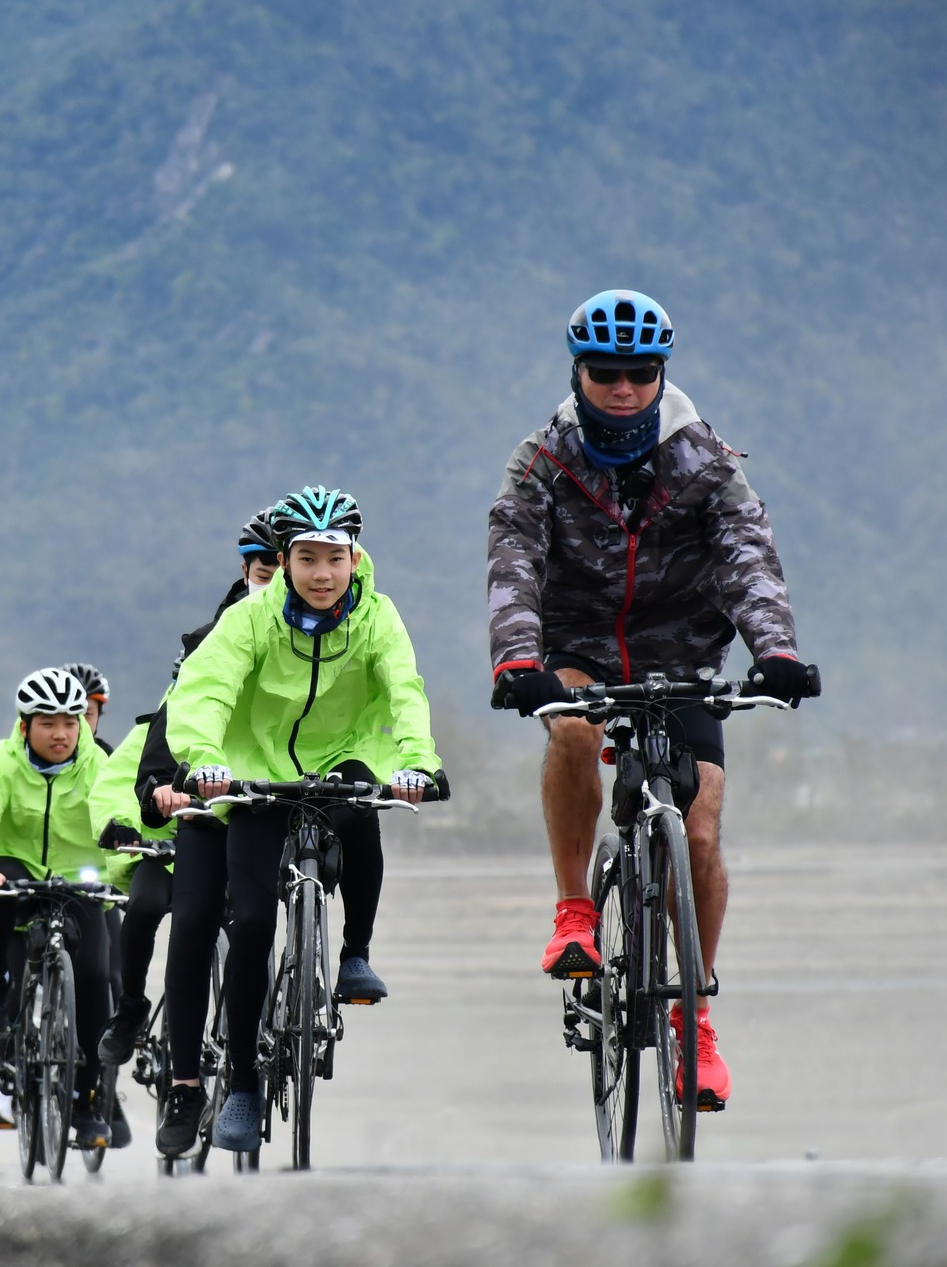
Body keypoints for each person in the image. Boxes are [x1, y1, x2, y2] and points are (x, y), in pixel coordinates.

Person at [486, 289, 819, 1111]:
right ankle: (574, 912)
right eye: (606, 372)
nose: (623, 388)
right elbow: (514, 556)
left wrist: (775, 651)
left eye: (639, 372)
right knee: (571, 730)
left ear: (662, 373)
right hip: (577, 646)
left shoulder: (707, 460)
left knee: (699, 831)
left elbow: (748, 557)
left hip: (683, 654)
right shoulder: (542, 458)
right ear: (578, 373)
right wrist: (517, 658)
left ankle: (694, 1021)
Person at [164, 487, 445, 1154]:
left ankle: (355, 953)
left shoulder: (378, 616)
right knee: (252, 925)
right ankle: (241, 1083)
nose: (323, 574)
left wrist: (417, 762)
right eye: (308, 558)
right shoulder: (250, 619)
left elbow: (404, 690)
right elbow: (206, 690)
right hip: (257, 771)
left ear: (356, 559)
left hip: (346, 752)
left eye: (335, 558)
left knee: (361, 814)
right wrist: (204, 758)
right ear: (285, 561)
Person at [98, 506, 280, 1089]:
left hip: (259, 812)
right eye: (265, 571)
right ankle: (134, 1009)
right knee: (156, 909)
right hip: (178, 836)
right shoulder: (206, 657)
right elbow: (132, 769)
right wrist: (140, 810)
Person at [0, 665, 114, 1148]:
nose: (61, 733)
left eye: (70, 722)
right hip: (15, 867)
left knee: (95, 980)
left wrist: (129, 851)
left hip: (79, 877)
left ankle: (87, 1101)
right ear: (24, 727)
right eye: (48, 723)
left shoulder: (98, 763)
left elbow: (118, 810)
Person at [64, 662, 115, 753]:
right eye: (71, 713)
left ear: (98, 715)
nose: (80, 722)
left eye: (87, 714)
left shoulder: (110, 758)